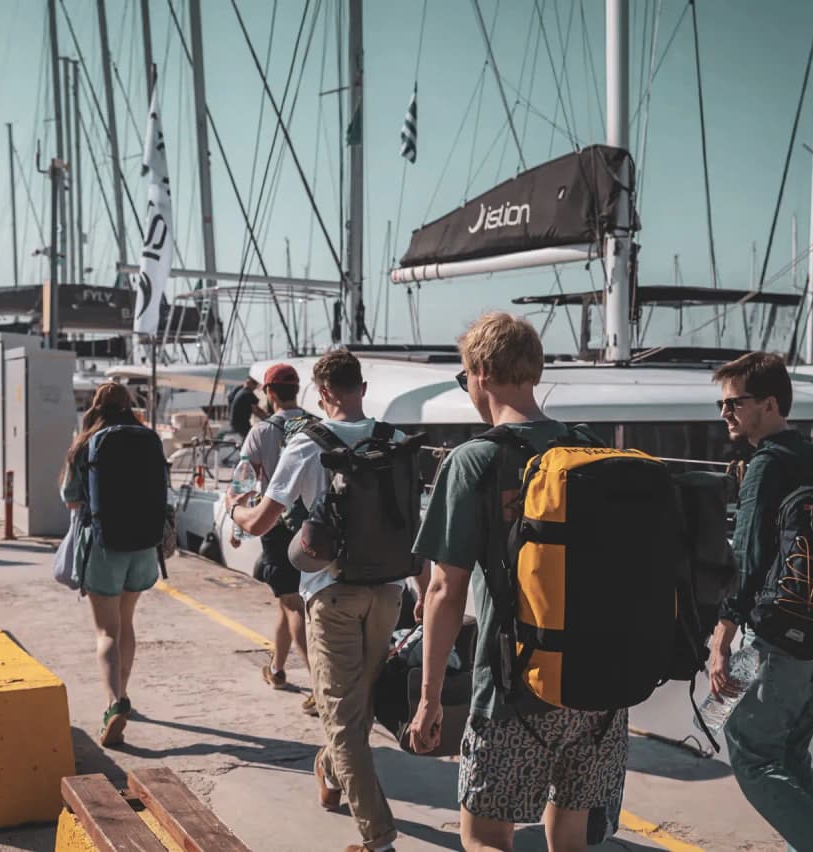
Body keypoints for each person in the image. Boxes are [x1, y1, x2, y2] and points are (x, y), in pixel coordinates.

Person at [409, 312, 629, 852]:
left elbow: (444, 590)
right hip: (599, 689)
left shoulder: (474, 461)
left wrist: (429, 699)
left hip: (515, 689)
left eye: (465, 379)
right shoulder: (591, 448)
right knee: (571, 838)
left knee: (485, 837)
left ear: (481, 372)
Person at [227, 350, 403, 852]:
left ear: (321, 395)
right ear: (362, 388)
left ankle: (378, 839)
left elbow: (262, 520)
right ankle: (328, 767)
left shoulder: (307, 443)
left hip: (332, 591)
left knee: (343, 717)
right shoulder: (390, 440)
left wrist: (236, 511)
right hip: (389, 591)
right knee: (359, 701)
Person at [706, 352, 813, 852]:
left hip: (776, 639)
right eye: (722, 404)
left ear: (770, 404)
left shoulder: (767, 466)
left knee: (749, 753)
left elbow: (745, 559)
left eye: (734, 404)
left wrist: (722, 638)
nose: (724, 413)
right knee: (790, 752)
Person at [60, 382, 163, 747]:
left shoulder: (86, 442)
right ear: (129, 405)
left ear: (96, 405)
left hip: (103, 544)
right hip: (144, 546)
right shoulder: (148, 438)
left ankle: (113, 701)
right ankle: (123, 691)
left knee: (106, 631)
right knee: (127, 622)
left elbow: (71, 499)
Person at [237, 363, 317, 711]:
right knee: (286, 603)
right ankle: (278, 668)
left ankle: (319, 685)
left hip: (274, 525)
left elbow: (244, 481)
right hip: (315, 526)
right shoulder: (317, 427)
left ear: (269, 393)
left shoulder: (259, 432)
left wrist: (239, 523)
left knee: (292, 603)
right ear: (297, 390)